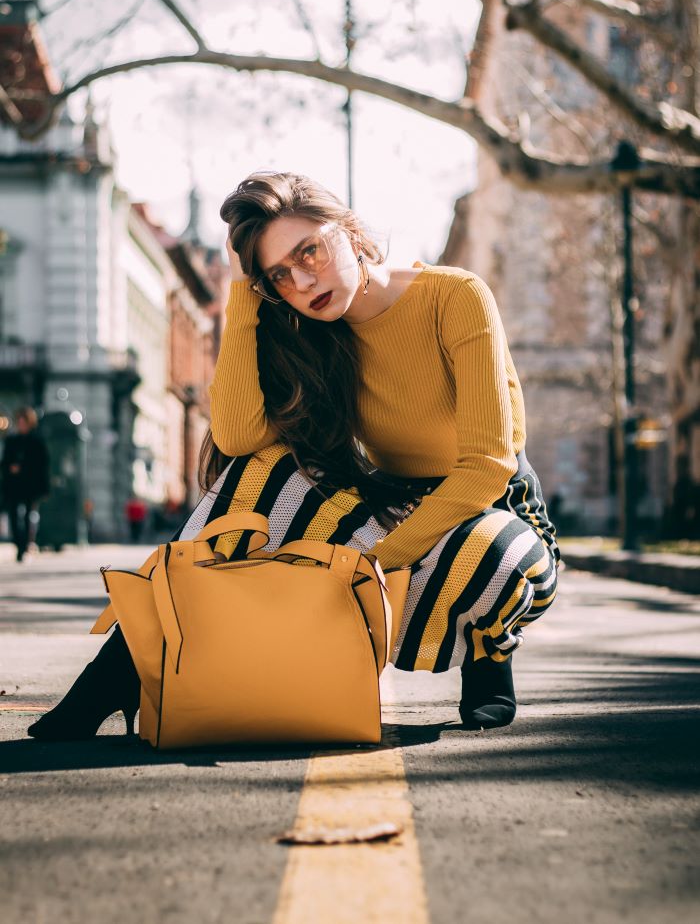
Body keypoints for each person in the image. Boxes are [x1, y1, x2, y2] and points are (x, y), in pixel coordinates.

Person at [27, 171, 560, 742]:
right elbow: (237, 437)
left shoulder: (455, 296)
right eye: (278, 274)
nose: (302, 280)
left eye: (310, 250)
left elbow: (486, 466)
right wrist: (241, 292)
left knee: (494, 557)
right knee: (261, 470)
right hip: (395, 504)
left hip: (494, 511)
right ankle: (120, 669)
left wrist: (372, 566)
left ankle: (491, 647)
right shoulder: (307, 331)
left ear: (348, 230)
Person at [1, 406, 50, 562]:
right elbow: (4, 462)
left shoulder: (36, 441)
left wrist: (24, 468)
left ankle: (27, 542)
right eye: (19, 422)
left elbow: (42, 464)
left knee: (29, 515)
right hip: (14, 485)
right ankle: (19, 544)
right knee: (14, 515)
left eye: (24, 422)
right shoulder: (12, 440)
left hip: (30, 485)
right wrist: (10, 468)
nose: (21, 425)